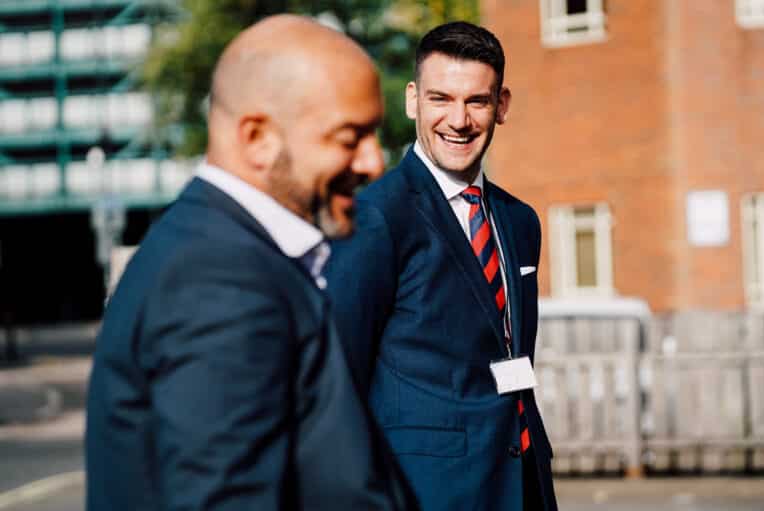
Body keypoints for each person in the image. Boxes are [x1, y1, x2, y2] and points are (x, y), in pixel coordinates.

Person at [86, 15, 417, 510]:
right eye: (349, 138)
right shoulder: (219, 280)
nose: (373, 162)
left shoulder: (221, 252)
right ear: (258, 138)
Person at [326, 21, 558, 511]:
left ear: (502, 107)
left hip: (524, 483)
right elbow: (337, 377)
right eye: (440, 99)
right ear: (413, 100)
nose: (459, 120)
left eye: (477, 101)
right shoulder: (374, 217)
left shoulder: (520, 221)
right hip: (427, 491)